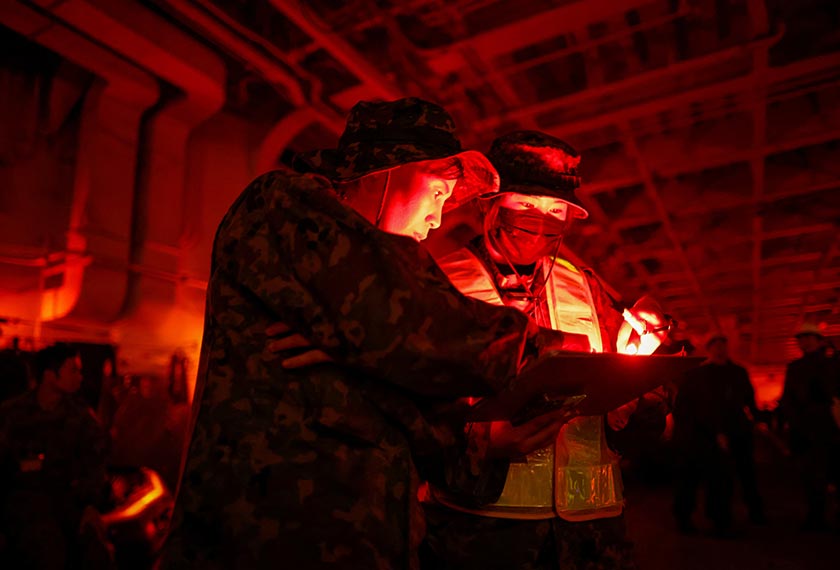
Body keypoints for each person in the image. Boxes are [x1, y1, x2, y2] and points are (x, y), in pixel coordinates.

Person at [161, 99, 579, 569]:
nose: (438, 218)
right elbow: (405, 317)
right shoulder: (279, 206)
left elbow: (407, 405)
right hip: (257, 545)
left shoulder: (361, 312)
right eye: (439, 192)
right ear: (391, 170)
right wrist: (544, 347)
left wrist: (486, 444)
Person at [420, 131, 671, 569]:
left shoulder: (592, 290)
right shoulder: (437, 282)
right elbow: (402, 404)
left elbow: (643, 417)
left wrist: (642, 388)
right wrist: (478, 444)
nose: (542, 219)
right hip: (478, 534)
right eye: (526, 205)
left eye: (556, 210)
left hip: (593, 533)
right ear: (488, 203)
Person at [0, 343, 111, 568]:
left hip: (63, 502)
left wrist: (90, 504)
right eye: (73, 370)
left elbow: (95, 464)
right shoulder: (11, 414)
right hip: (19, 503)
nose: (80, 377)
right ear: (50, 375)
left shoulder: (81, 418)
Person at [672, 334, 765, 537]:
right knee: (709, 478)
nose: (720, 348)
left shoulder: (731, 373)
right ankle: (709, 518)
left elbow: (747, 399)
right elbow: (687, 408)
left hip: (726, 431)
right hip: (704, 434)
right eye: (716, 344)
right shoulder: (700, 375)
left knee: (722, 478)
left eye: (722, 344)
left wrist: (755, 420)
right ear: (709, 349)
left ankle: (719, 517)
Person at [780, 323, 840, 530]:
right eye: (801, 337)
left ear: (818, 340)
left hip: (828, 426)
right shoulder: (796, 368)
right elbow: (788, 398)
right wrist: (794, 421)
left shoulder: (832, 363)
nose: (804, 341)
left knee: (829, 471)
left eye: (808, 337)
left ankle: (822, 515)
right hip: (808, 427)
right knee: (813, 475)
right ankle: (816, 515)